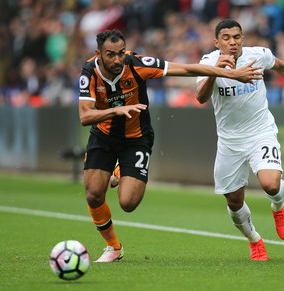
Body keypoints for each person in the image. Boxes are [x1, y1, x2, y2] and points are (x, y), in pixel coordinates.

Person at [78, 29, 263, 263]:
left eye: (120, 53)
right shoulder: (89, 72)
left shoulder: (137, 64)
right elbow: (84, 117)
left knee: (128, 203)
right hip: (102, 136)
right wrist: (116, 110)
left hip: (136, 137)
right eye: (110, 55)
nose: (116, 60)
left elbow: (187, 69)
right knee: (94, 195)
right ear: (99, 54)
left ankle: (120, 170)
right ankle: (113, 247)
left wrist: (232, 73)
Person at [195, 19, 284, 260]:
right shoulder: (208, 62)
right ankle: (255, 240)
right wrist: (216, 71)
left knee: (271, 184)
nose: (232, 42)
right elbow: (200, 97)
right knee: (234, 201)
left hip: (261, 132)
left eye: (237, 37)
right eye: (226, 38)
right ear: (216, 42)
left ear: (242, 38)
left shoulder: (257, 55)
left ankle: (278, 207)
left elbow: (279, 65)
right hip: (229, 141)